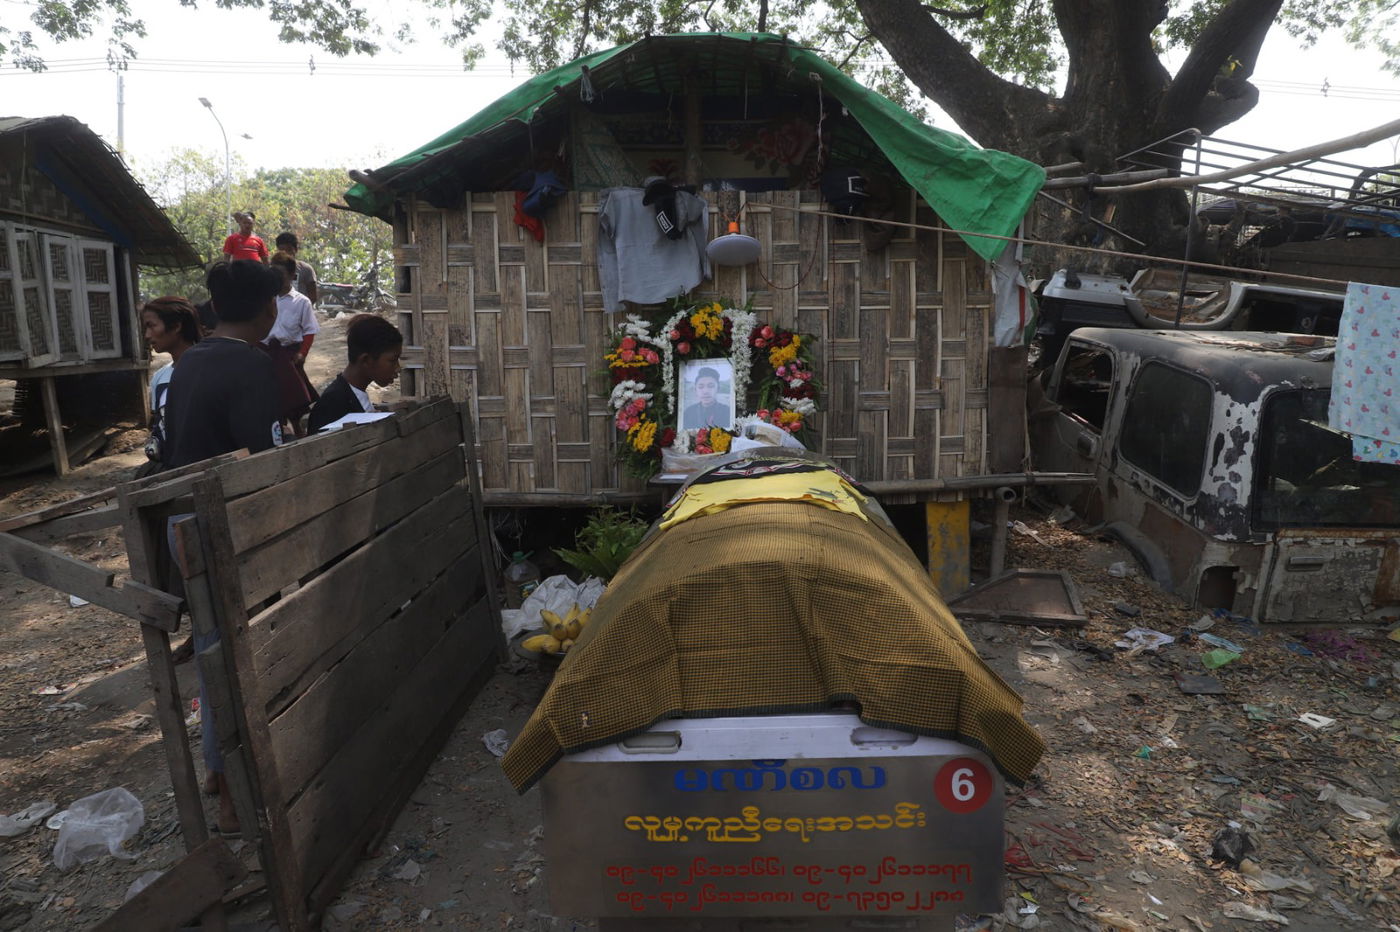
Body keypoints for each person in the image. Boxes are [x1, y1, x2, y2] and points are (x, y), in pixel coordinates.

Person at [163, 258, 284, 839]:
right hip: (222, 524)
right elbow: (259, 457)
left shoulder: (191, 362)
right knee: (233, 659)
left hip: (182, 520)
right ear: (269, 308)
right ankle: (233, 798)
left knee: (215, 654)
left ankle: (217, 773)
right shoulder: (251, 363)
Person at [138, 297, 202, 476]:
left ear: (176, 326)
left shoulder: (207, 369)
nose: (147, 335)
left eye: (152, 326)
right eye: (146, 328)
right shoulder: (160, 377)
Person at [308, 314, 403, 432]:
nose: (398, 368)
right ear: (366, 360)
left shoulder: (355, 395)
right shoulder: (333, 405)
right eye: (393, 360)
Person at [262, 250, 321, 436]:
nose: (276, 277)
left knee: (294, 404)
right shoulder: (264, 299)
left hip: (289, 355)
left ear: (291, 276)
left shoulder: (301, 302)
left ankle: (299, 436)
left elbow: (310, 330)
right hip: (265, 354)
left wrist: (302, 353)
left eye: (280, 274)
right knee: (270, 402)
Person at [274, 231, 319, 304]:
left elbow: (313, 296)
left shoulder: (306, 269)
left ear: (296, 250)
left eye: (289, 250)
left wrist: (300, 309)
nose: (285, 253)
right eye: (282, 250)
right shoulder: (272, 270)